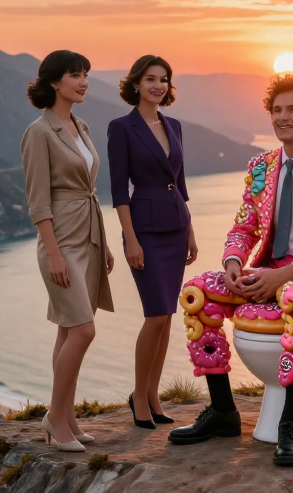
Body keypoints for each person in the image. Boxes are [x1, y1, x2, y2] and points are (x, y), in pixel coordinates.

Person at [167, 74, 293, 467]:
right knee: (197, 292)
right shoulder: (261, 166)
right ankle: (223, 411)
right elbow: (244, 227)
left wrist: (289, 273)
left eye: (292, 109)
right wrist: (232, 263)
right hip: (266, 271)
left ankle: (289, 425)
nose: (283, 117)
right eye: (277, 110)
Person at [21, 50, 115, 452]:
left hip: (88, 236)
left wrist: (105, 243)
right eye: (75, 75)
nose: (83, 82)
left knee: (68, 329)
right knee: (83, 329)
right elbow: (38, 201)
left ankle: (67, 414)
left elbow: (89, 192)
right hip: (60, 240)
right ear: (55, 82)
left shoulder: (81, 124)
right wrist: (53, 253)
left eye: (85, 75)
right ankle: (55, 417)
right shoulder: (39, 132)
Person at [107, 55, 197, 429]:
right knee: (155, 313)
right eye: (150, 79)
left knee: (167, 319)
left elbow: (182, 181)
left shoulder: (174, 125)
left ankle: (154, 395)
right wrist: (130, 239)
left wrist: (190, 231)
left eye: (163, 79)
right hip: (144, 231)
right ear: (136, 84)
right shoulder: (122, 127)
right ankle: (138, 398)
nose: (158, 85)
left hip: (176, 227)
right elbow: (117, 190)